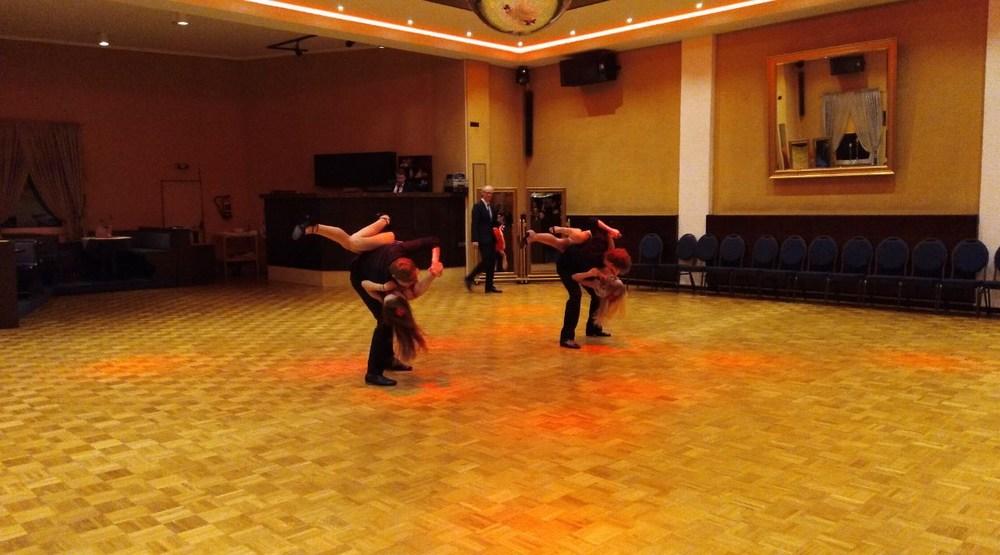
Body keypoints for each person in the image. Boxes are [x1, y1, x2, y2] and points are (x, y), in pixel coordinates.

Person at [293, 214, 443, 386]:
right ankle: (373, 373)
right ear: (394, 279)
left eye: (415, 277)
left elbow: (433, 241)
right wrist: (383, 289)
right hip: (362, 277)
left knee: (352, 242)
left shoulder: (401, 252)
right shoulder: (382, 278)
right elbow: (368, 286)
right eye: (408, 283)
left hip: (384, 243)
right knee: (384, 322)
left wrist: (434, 264)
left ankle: (387, 360)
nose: (413, 283)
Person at [528, 218, 631, 349]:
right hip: (567, 267)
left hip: (582, 267)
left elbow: (591, 281)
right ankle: (567, 337)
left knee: (596, 296)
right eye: (614, 270)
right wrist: (609, 230)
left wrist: (610, 233)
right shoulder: (595, 255)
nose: (615, 275)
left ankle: (593, 329)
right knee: (575, 295)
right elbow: (575, 277)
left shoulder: (605, 264)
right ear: (610, 263)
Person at [465, 185, 501, 293]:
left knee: (492, 261)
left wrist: (499, 223)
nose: (490, 195)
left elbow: (492, 223)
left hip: (491, 238)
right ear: (482, 193)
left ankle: (489, 287)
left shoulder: (491, 207)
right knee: (486, 261)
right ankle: (470, 277)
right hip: (482, 239)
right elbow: (474, 224)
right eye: (488, 193)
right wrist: (474, 239)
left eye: (491, 193)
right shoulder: (477, 207)